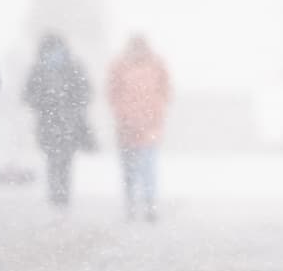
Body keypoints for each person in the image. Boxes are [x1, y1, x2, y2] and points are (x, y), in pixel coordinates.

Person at [23, 33, 92, 208]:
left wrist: (71, 103)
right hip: (49, 123)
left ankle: (61, 196)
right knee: (54, 159)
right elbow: (28, 95)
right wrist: (45, 102)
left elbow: (85, 92)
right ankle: (57, 195)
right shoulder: (39, 70)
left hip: (68, 123)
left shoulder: (72, 68)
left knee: (64, 160)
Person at [107, 34, 172, 221]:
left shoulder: (155, 65)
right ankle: (133, 204)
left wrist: (155, 113)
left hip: (148, 126)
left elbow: (165, 91)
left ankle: (148, 204)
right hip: (128, 126)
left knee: (147, 167)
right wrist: (124, 116)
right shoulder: (120, 66)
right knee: (130, 169)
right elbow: (113, 94)